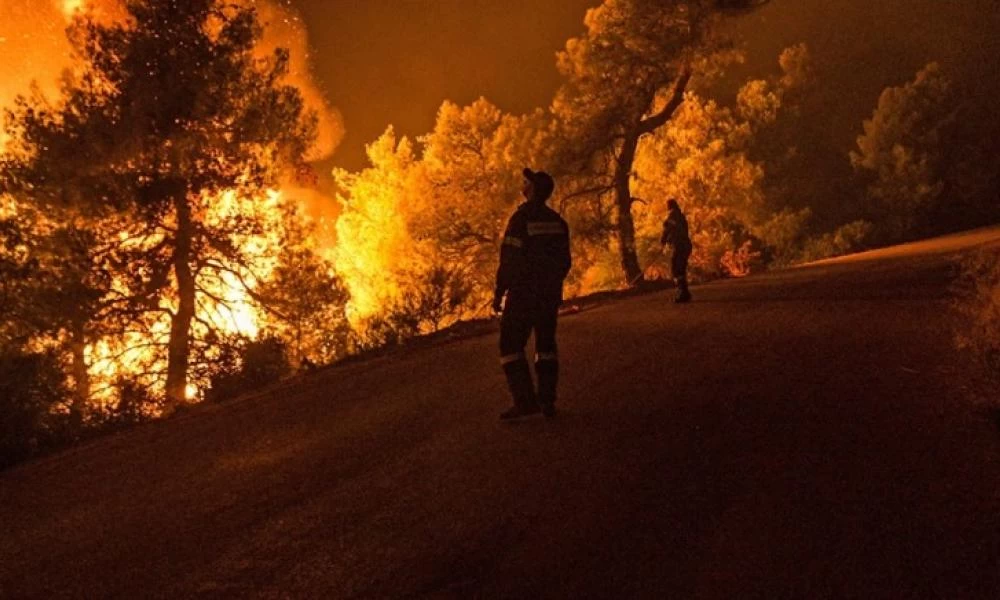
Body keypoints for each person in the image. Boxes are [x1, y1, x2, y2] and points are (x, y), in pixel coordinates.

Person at [493, 168, 571, 420]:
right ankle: (547, 400)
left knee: (510, 345)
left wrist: (500, 291)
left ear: (533, 190)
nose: (522, 186)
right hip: (548, 296)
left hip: (524, 294)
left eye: (526, 183)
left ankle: (525, 402)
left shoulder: (521, 219)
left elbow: (509, 259)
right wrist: (552, 284)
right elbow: (565, 262)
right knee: (546, 345)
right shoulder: (557, 222)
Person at [660, 198, 692, 303]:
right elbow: (677, 230)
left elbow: (667, 230)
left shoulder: (672, 216)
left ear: (670, 207)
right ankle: (685, 293)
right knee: (681, 268)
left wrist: (663, 242)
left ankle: (682, 293)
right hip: (686, 245)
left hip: (680, 246)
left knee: (676, 268)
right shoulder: (681, 217)